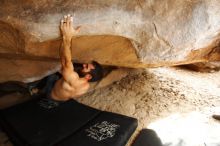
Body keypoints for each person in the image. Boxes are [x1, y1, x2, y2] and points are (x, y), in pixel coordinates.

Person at [0, 14, 103, 104]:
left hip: (50, 92)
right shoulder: (86, 86)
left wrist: (67, 37)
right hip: (60, 94)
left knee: (26, 86)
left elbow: (66, 61)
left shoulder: (74, 78)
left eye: (87, 67)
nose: (84, 64)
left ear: (88, 76)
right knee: (58, 73)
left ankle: (31, 90)